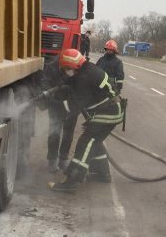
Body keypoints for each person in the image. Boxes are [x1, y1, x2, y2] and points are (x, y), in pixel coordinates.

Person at [48, 49, 123, 192]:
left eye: (66, 69)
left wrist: (56, 104)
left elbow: (74, 106)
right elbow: (73, 87)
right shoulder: (86, 70)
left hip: (108, 112)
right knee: (95, 141)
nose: (65, 72)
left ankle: (72, 181)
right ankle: (102, 174)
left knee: (85, 142)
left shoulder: (84, 77)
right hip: (110, 110)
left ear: (73, 67)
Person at [40, 55, 78, 173]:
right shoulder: (52, 67)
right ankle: (52, 160)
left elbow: (82, 85)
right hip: (56, 104)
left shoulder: (78, 67)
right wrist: (53, 100)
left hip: (72, 105)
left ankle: (63, 159)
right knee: (54, 133)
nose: (71, 71)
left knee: (68, 133)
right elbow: (44, 85)